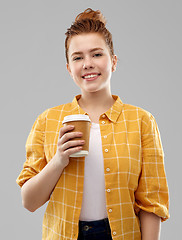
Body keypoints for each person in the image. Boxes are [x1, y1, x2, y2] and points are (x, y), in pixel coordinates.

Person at [16, 8, 169, 240]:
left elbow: (151, 204)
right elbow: (29, 201)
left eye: (97, 54)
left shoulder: (142, 121)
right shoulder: (47, 121)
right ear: (69, 68)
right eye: (78, 57)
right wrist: (58, 160)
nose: (87, 63)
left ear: (113, 61)